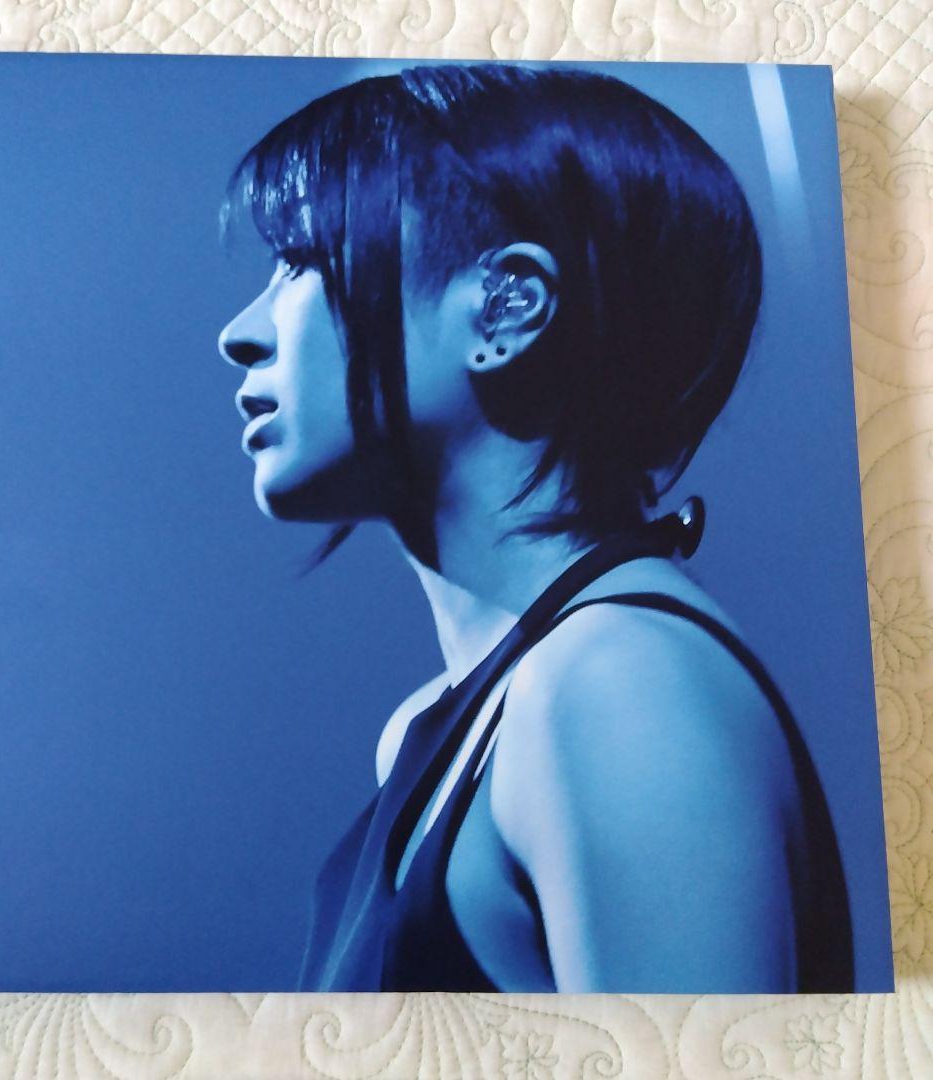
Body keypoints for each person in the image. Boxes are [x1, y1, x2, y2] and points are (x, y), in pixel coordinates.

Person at [216, 63, 854, 993]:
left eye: (304, 261)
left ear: (508, 307)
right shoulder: (442, 728)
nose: (241, 331)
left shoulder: (616, 684)